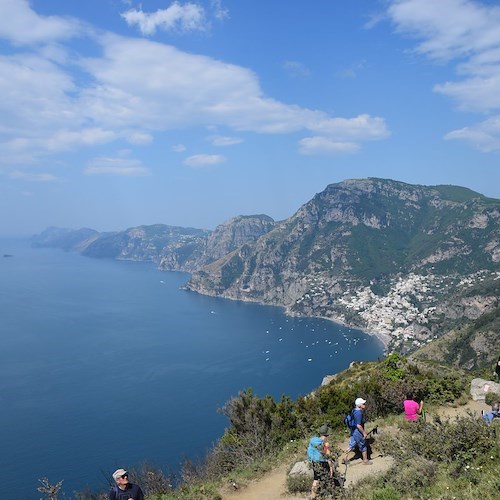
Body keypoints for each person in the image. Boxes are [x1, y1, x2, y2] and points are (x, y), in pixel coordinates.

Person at [343, 397, 372, 465]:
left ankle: (345, 458)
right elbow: (358, 425)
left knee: (352, 445)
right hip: (358, 432)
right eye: (363, 403)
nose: (364, 404)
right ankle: (365, 460)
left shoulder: (354, 410)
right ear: (359, 405)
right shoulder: (359, 413)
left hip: (353, 431)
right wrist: (364, 433)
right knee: (363, 445)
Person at [308, 424, 334, 499]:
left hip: (314, 462)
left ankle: (313, 496)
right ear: (327, 433)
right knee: (328, 476)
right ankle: (329, 493)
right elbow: (328, 456)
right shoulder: (325, 443)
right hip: (322, 462)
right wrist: (331, 468)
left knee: (316, 479)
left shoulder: (314, 440)